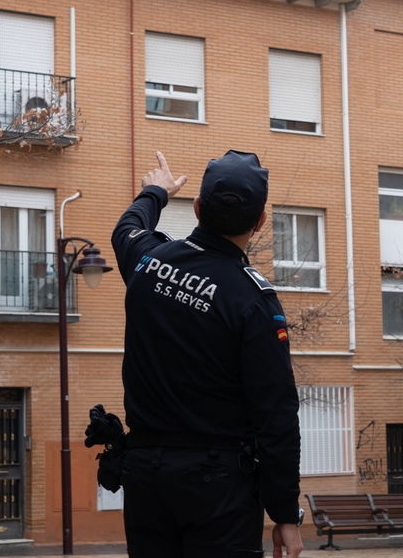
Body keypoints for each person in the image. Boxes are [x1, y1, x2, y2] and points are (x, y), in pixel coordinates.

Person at [111, 150, 303, 558]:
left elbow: (127, 228)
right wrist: (285, 513)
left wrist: (156, 192)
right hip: (217, 486)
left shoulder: (149, 262)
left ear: (198, 208)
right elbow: (277, 413)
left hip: (145, 475)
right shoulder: (253, 300)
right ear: (259, 222)